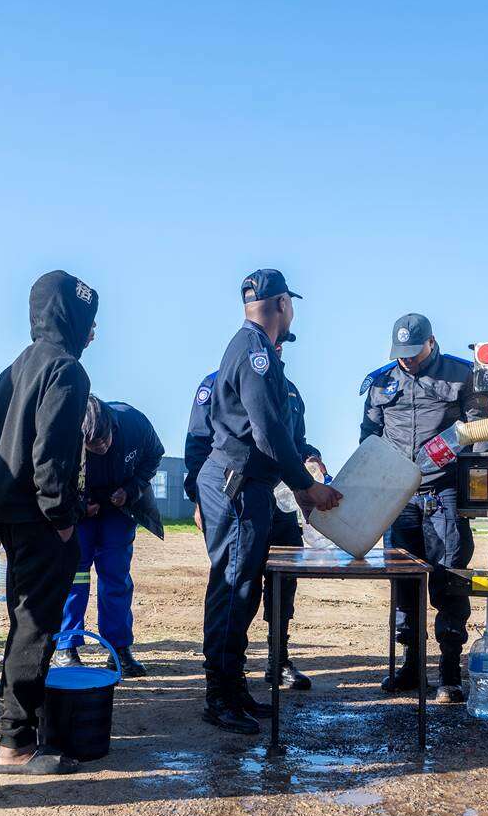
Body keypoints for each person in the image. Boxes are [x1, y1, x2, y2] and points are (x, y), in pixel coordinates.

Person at [198, 269, 342, 735]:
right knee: (234, 588)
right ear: (281, 304)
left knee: (245, 589)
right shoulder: (254, 351)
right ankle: (219, 697)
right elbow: (267, 430)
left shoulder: (252, 348)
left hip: (249, 485)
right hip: (237, 485)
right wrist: (305, 485)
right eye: (291, 304)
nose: (292, 311)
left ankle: (233, 689)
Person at [0, 270, 99, 774]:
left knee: (20, 616)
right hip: (41, 516)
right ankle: (15, 745)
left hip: (8, 511)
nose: (92, 334)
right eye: (89, 322)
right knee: (36, 623)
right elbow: (51, 452)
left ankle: (18, 727)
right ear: (72, 319)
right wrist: (61, 516)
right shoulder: (67, 370)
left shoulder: (13, 368)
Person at [361, 312, 488, 704]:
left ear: (431, 343)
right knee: (404, 582)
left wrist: (477, 495)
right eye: (401, 354)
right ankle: (410, 667)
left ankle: (449, 675)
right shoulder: (381, 381)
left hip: (444, 494)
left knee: (448, 581)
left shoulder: (461, 375)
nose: (408, 360)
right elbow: (369, 436)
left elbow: (483, 434)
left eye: (415, 353)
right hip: (399, 496)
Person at [184, 346, 326, 691]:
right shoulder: (218, 384)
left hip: (281, 503)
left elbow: (294, 444)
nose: (274, 347)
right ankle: (229, 676)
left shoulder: (289, 391)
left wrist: (313, 461)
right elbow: (200, 446)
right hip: (236, 496)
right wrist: (199, 499)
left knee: (283, 581)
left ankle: (278, 660)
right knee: (237, 582)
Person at [52, 395, 163, 677]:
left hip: (119, 510)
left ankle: (119, 649)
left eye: (103, 439)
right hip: (83, 514)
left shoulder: (135, 423)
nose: (100, 446)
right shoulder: (64, 433)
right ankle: (66, 647)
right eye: (91, 444)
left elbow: (153, 456)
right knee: (75, 576)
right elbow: (52, 477)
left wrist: (131, 489)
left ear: (112, 426)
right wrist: (78, 506)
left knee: (116, 577)